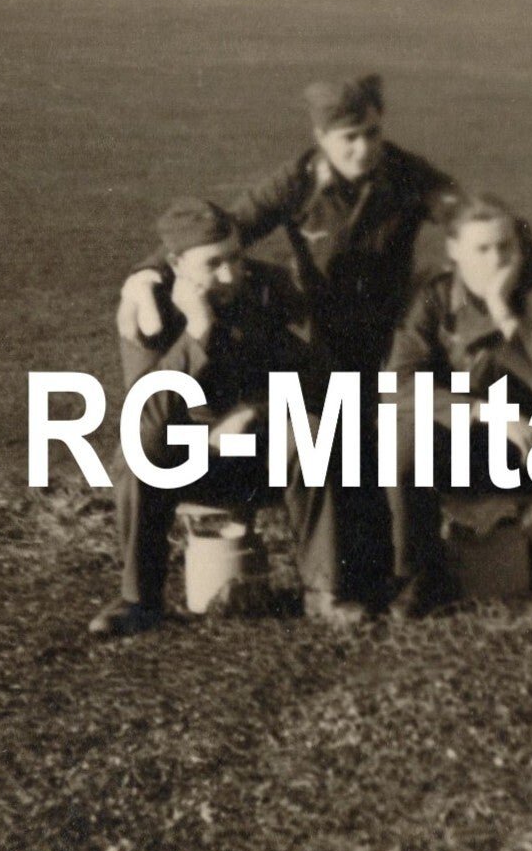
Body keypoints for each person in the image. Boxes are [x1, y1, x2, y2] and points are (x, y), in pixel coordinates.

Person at [118, 74, 461, 602]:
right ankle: (137, 600)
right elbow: (224, 229)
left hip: (382, 341)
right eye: (347, 136)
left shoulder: (405, 174)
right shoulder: (296, 182)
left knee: (368, 448)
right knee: (333, 440)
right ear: (322, 135)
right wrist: (151, 283)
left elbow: (468, 219)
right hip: (314, 330)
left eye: (371, 133)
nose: (363, 148)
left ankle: (375, 580)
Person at [90, 198, 366, 636]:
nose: (230, 273)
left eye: (236, 257)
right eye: (213, 263)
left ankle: (325, 593)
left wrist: (254, 411)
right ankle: (139, 601)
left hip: (261, 456)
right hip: (190, 461)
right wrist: (197, 331)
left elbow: (318, 379)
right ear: (176, 264)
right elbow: (150, 413)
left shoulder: (270, 288)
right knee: (138, 449)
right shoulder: (150, 306)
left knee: (312, 431)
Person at [382, 192, 532, 621]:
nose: (496, 259)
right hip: (455, 448)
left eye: (506, 246)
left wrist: (506, 314)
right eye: (482, 249)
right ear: (453, 251)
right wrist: (485, 412)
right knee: (402, 437)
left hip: (527, 450)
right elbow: (398, 382)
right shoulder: (432, 300)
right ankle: (416, 573)